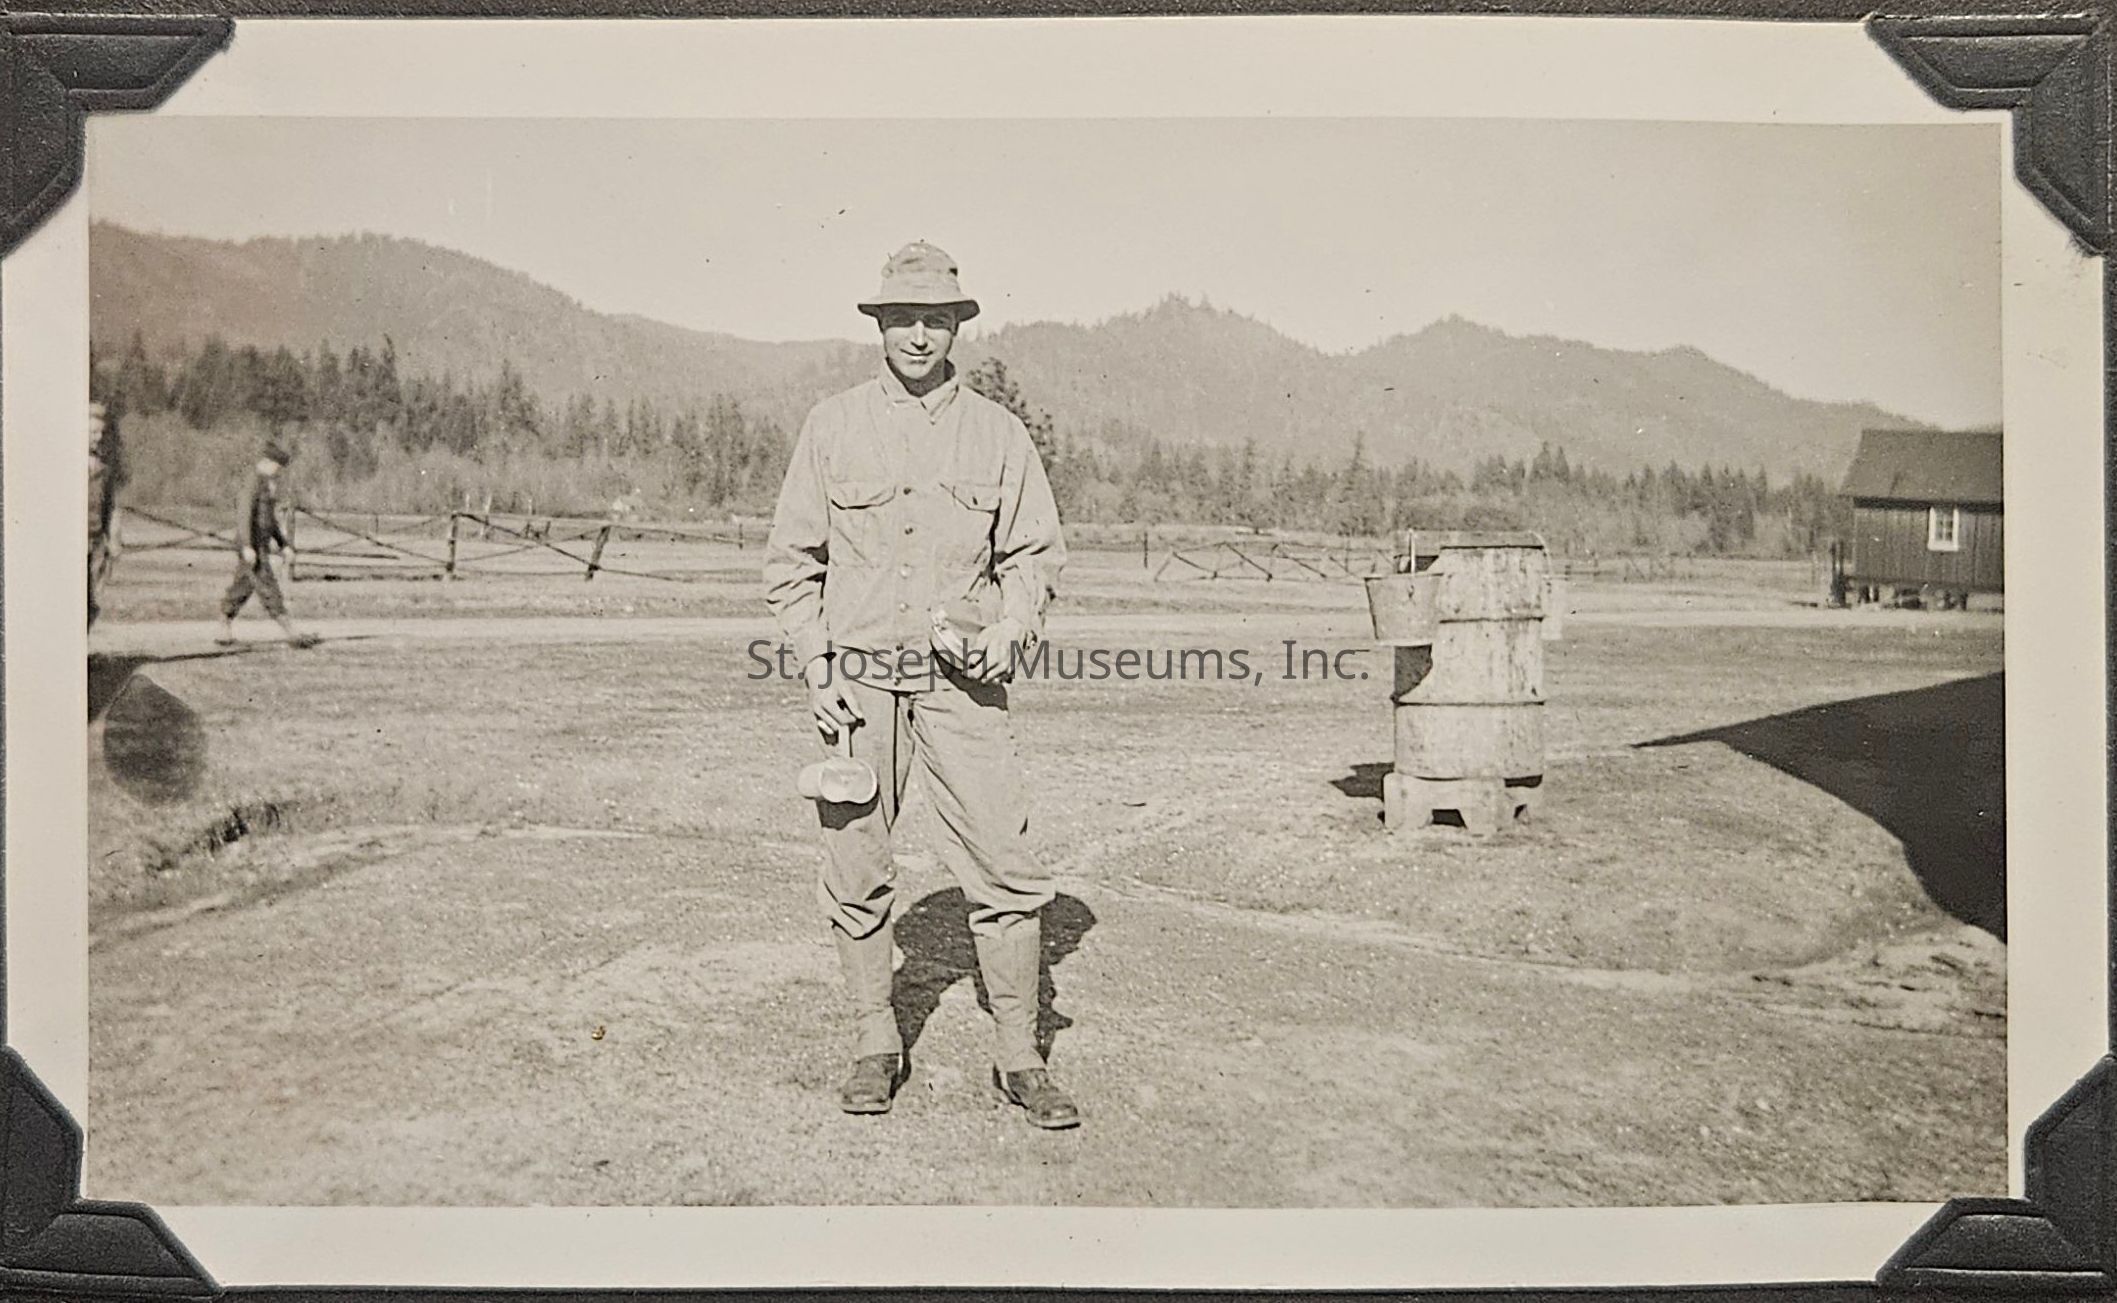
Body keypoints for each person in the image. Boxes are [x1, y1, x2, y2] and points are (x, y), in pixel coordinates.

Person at [763, 241, 1076, 1128]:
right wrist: (816, 667)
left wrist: (1010, 627)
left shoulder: (998, 435)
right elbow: (791, 565)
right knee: (857, 867)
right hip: (859, 689)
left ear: (956, 327)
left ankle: (1018, 1054)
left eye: (934, 319)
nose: (916, 336)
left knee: (1004, 867)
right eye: (901, 318)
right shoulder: (831, 426)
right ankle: (876, 1041)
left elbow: (1033, 556)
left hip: (960, 689)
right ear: (879, 325)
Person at [217, 442, 319, 648]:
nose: (278, 472)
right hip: (252, 545)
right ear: (267, 462)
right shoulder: (252, 482)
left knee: (242, 587)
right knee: (268, 586)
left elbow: (269, 520)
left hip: (259, 545)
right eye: (277, 467)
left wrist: (283, 544)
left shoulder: (266, 484)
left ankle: (223, 628)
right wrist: (247, 546)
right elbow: (244, 514)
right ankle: (292, 633)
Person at [87, 401, 127, 629]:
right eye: (93, 432)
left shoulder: (105, 469)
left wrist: (115, 540)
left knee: (92, 605)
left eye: (101, 432)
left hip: (95, 545)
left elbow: (112, 507)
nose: (98, 437)